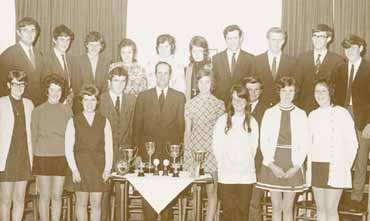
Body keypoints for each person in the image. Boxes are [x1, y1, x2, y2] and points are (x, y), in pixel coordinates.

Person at [133, 61, 185, 221]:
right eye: (159, 73)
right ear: (154, 75)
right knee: (148, 195)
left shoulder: (179, 97)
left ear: (170, 76)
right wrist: (138, 154)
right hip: (148, 154)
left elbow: (181, 128)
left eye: (166, 73)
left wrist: (179, 155)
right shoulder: (143, 96)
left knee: (167, 196)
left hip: (170, 156)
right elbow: (136, 127)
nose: (162, 76)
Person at [256, 76, 308, 221]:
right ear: (278, 92)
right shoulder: (269, 113)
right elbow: (264, 141)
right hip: (274, 162)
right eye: (284, 90)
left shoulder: (301, 114)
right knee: (276, 207)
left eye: (291, 91)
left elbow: (305, 143)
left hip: (293, 163)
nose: (287, 94)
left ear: (295, 92)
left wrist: (296, 166)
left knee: (288, 207)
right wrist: (271, 165)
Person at [307, 79, 358, 221]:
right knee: (320, 209)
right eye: (317, 91)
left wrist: (345, 165)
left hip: (336, 166)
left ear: (330, 92)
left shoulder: (342, 113)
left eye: (323, 91)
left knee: (331, 209)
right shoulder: (312, 115)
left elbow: (353, 143)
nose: (320, 94)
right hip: (317, 165)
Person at [331, 34, 370, 212]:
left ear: (361, 48)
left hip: (362, 118)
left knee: (361, 159)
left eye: (353, 48)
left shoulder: (369, 69)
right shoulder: (339, 68)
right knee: (340, 156)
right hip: (341, 116)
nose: (350, 52)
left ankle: (356, 197)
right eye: (347, 49)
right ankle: (340, 195)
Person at [64, 84, 113, 221]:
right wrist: (74, 169)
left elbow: (108, 147)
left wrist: (107, 169)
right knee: (81, 203)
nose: (89, 103)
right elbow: (68, 148)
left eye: (92, 100)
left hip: (99, 167)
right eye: (86, 100)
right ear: (81, 101)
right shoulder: (73, 121)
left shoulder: (104, 121)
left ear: (97, 101)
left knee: (97, 204)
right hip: (80, 167)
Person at [183, 69, 224, 221]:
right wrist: (187, 152)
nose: (204, 85)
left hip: (212, 150)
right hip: (194, 150)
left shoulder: (219, 104)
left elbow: (221, 132)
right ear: (197, 83)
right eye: (201, 82)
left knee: (212, 190)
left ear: (212, 83)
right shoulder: (190, 104)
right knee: (195, 191)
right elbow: (187, 130)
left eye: (207, 82)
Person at [212, 85, 259, 221]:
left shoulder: (252, 122)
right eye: (234, 99)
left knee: (242, 211)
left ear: (247, 101)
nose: (238, 103)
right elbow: (217, 146)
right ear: (231, 101)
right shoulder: (222, 121)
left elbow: (253, 148)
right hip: (227, 174)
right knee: (228, 211)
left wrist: (243, 165)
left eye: (241, 99)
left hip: (245, 175)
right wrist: (224, 164)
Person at [31, 74, 72, 221]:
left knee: (57, 195)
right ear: (47, 91)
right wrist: (32, 161)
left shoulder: (67, 110)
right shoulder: (38, 111)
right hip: (42, 157)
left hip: (61, 157)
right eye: (52, 89)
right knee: (45, 196)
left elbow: (71, 137)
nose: (56, 93)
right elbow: (33, 137)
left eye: (59, 90)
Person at [99, 66, 136, 220]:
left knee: (123, 196)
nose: (119, 84)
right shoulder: (100, 100)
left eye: (122, 81)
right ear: (109, 82)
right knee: (103, 194)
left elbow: (135, 128)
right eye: (116, 81)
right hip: (104, 154)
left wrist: (134, 154)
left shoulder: (132, 100)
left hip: (125, 156)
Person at [0, 70, 34, 221]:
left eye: (22, 84)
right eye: (15, 84)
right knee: (6, 199)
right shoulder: (1, 103)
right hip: (6, 157)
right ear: (8, 85)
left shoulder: (29, 104)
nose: (18, 87)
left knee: (20, 198)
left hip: (23, 156)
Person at [295, 24, 344, 113]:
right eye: (315, 36)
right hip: (303, 109)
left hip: (327, 110)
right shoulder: (302, 58)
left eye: (321, 36)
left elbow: (339, 90)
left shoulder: (338, 61)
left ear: (328, 39)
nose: (317, 39)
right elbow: (296, 85)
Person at [243, 76, 271, 221]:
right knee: (240, 203)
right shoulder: (238, 107)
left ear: (261, 91)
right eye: (249, 90)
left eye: (256, 90)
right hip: (239, 164)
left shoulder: (268, 110)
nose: (252, 93)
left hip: (259, 164)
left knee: (254, 204)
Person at [0, 17, 43, 106]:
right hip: (17, 105)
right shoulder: (8, 54)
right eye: (25, 30)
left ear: (36, 33)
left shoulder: (39, 54)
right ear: (18, 33)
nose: (29, 34)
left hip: (38, 105)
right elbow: (2, 85)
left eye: (32, 30)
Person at [212, 24, 255, 104]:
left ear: (241, 38)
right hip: (220, 104)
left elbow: (251, 85)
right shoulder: (216, 59)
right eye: (229, 38)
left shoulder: (250, 59)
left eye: (235, 38)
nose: (232, 42)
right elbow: (213, 84)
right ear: (225, 39)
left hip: (241, 104)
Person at [255, 27, 296, 105]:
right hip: (260, 106)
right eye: (273, 40)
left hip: (282, 106)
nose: (276, 43)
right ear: (268, 40)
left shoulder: (292, 62)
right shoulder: (256, 61)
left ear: (284, 41)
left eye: (279, 40)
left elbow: (294, 87)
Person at [71, 31, 110, 114]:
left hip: (100, 105)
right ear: (87, 45)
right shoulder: (78, 61)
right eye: (91, 44)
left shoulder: (106, 62)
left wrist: (98, 102)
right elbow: (76, 86)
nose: (94, 48)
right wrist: (87, 103)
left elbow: (106, 86)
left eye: (97, 45)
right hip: (82, 105)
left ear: (101, 46)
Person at [42, 25, 74, 104]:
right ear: (54, 40)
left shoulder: (71, 58)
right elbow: (44, 86)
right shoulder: (46, 58)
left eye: (67, 40)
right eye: (62, 40)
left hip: (69, 103)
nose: (65, 43)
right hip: (53, 102)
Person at [185, 36, 212, 100]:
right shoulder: (188, 69)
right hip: (191, 104)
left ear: (205, 52)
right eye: (194, 51)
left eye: (200, 51)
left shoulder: (211, 68)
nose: (197, 54)